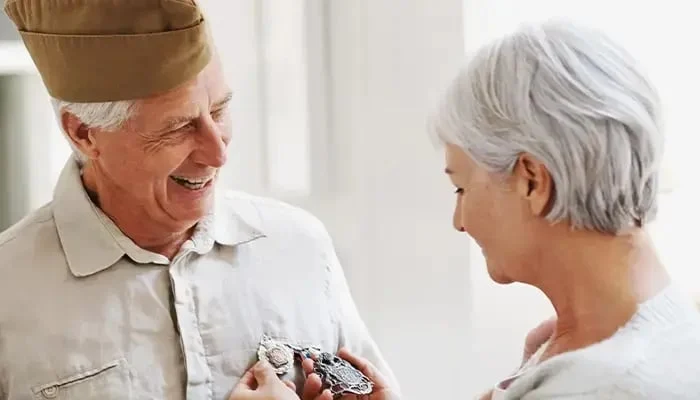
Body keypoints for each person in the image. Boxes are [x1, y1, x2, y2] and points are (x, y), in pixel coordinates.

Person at [231, 19, 700, 400]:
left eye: (461, 187)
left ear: (532, 181)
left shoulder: (602, 387)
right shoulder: (654, 335)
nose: (460, 221)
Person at [0, 1, 398, 399]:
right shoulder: (10, 291)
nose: (218, 152)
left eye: (219, 110)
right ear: (84, 133)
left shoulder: (300, 246)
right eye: (179, 127)